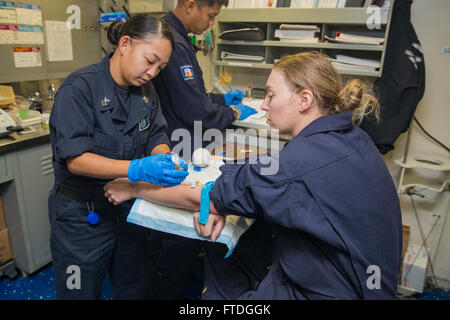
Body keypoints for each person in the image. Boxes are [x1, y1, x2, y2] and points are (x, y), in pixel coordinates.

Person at [104, 51, 403, 300]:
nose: (263, 104)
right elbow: (272, 179)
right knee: (246, 236)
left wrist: (134, 188)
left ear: (304, 99)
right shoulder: (353, 137)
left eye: (271, 95)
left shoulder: (293, 166)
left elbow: (206, 194)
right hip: (361, 282)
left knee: (219, 248)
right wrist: (220, 200)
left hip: (328, 290)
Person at [48, 14, 188, 300]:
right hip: (82, 216)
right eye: (150, 61)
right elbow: (76, 159)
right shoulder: (79, 89)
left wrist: (163, 159)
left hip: (128, 209)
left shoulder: (147, 92)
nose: (152, 73)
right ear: (125, 44)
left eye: (160, 68)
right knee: (79, 292)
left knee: (134, 287)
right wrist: (137, 168)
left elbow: (157, 136)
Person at [146, 0, 256, 299]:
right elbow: (196, 112)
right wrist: (231, 113)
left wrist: (221, 100)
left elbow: (192, 96)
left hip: (184, 141)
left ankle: (173, 279)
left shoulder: (179, 39)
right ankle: (165, 290)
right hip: (177, 144)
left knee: (185, 224)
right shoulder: (174, 43)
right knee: (181, 231)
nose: (211, 24)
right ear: (191, 5)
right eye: (211, 16)